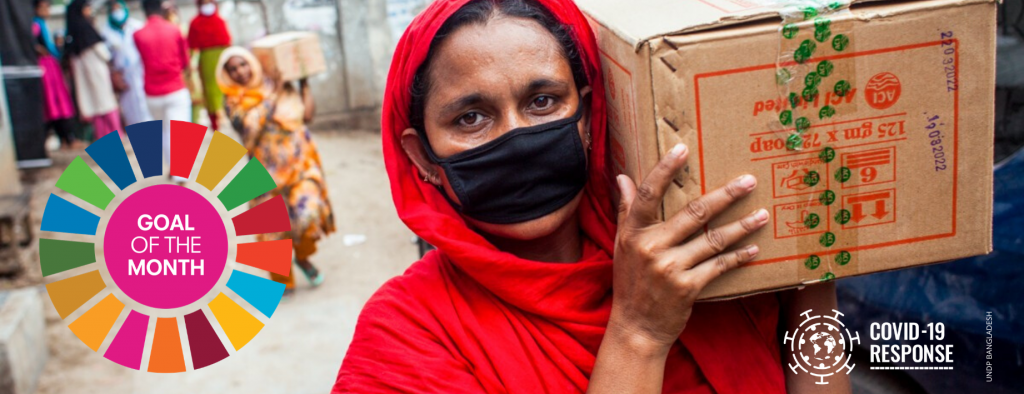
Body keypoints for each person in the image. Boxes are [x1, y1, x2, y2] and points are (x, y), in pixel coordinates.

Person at [332, 0, 848, 393]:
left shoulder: (692, 248)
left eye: (542, 101)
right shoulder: (405, 333)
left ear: (587, 114)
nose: (515, 138)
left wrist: (811, 269)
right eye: (471, 117)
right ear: (422, 157)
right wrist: (639, 332)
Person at [216, 47, 333, 294]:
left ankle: (302, 257)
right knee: (272, 232)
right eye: (233, 69)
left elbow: (307, 115)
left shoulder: (278, 84)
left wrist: (304, 84)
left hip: (299, 166)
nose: (240, 72)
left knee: (308, 216)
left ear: (252, 64)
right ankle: (283, 281)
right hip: (262, 175)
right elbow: (249, 128)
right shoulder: (233, 101)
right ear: (226, 75)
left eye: (243, 65)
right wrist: (274, 94)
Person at [134, 0, 191, 168]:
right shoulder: (174, 30)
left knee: (164, 131)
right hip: (175, 89)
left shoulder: (138, 35)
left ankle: (173, 168)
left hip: (152, 93)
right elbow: (185, 61)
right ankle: (180, 173)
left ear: (144, 11)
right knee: (180, 131)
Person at [64, 0, 122, 140]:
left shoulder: (72, 31)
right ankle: (117, 134)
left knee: (94, 106)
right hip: (97, 71)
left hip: (83, 76)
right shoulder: (86, 27)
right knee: (107, 103)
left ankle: (103, 136)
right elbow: (102, 52)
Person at [32, 0, 80, 149]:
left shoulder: (41, 24)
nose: (48, 10)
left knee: (57, 103)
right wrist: (38, 48)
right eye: (44, 6)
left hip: (51, 67)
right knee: (53, 102)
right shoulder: (35, 25)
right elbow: (32, 43)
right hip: (46, 69)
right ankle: (66, 139)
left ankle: (66, 139)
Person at [100, 0, 152, 126]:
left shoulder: (137, 26)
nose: (117, 12)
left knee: (147, 107)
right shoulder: (105, 32)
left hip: (140, 71)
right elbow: (106, 57)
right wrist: (114, 75)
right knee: (131, 111)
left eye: (119, 8)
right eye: (113, 9)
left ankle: (155, 141)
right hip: (123, 76)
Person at [188, 0, 231, 131]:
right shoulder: (195, 23)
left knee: (226, 86)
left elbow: (227, 40)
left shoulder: (220, 20)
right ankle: (215, 121)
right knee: (211, 91)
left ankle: (228, 115)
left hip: (223, 57)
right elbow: (191, 45)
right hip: (206, 61)